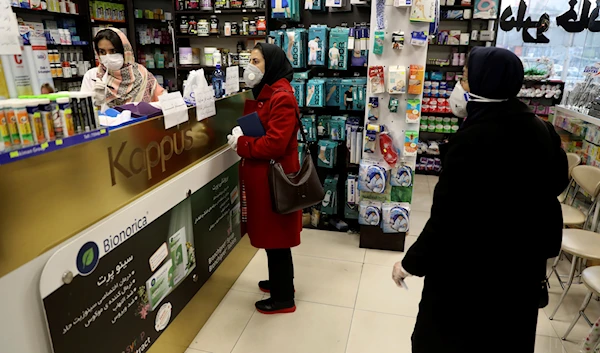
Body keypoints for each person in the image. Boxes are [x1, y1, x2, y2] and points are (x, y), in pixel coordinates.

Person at [392, 47, 569, 353]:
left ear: (484, 81)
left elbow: (448, 219)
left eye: (465, 77)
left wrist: (410, 263)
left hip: (469, 277)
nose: (460, 86)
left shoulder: (472, 140)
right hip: (519, 275)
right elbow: (556, 184)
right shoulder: (542, 131)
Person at [226, 43, 301, 315]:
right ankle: (283, 284)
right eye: (250, 60)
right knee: (274, 238)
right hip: (269, 176)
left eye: (256, 61)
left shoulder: (282, 96)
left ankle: (283, 299)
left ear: (270, 63)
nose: (251, 66)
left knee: (277, 239)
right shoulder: (271, 91)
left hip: (275, 177)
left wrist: (242, 143)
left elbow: (275, 145)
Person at [81, 28, 164, 110]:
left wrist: (139, 107)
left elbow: (165, 102)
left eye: (113, 51)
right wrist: (97, 103)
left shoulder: (142, 73)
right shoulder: (92, 76)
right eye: (102, 52)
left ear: (125, 51)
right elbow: (86, 111)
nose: (108, 56)